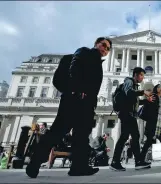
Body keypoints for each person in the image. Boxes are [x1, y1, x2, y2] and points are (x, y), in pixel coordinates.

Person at [26, 37, 112, 178]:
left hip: (86, 104)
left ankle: (79, 167)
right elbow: (75, 67)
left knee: (82, 136)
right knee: (57, 132)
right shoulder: (85, 52)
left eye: (108, 48)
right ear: (96, 44)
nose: (105, 49)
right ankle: (35, 162)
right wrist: (77, 90)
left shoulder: (97, 62)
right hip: (75, 100)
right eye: (103, 45)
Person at [110, 67, 153, 171]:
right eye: (142, 75)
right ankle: (136, 161)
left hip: (129, 114)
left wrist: (147, 100)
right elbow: (129, 92)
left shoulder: (134, 85)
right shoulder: (129, 81)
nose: (143, 78)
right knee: (132, 136)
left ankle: (118, 162)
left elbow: (136, 101)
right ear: (136, 75)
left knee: (126, 136)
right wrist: (143, 92)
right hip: (127, 113)